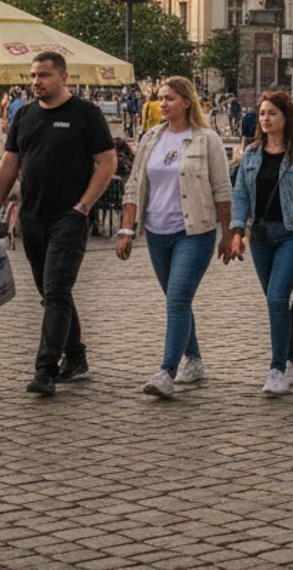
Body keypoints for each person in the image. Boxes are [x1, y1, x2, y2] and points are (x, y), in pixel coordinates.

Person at [0, 52, 119, 397]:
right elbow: (8, 167)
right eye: (32, 75)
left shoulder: (85, 114)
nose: (36, 82)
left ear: (63, 77)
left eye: (43, 75)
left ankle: (46, 368)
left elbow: (107, 162)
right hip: (32, 217)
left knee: (56, 290)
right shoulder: (25, 115)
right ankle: (76, 355)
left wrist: (83, 206)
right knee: (51, 292)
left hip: (68, 218)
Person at [118, 76, 234, 399]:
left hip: (195, 231)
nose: (163, 104)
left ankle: (166, 372)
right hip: (157, 232)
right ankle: (194, 359)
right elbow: (134, 185)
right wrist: (127, 230)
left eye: (169, 98)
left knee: (177, 299)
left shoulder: (206, 140)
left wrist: (228, 233)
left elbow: (222, 190)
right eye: (160, 98)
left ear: (186, 102)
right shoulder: (150, 139)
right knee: (176, 300)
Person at [228, 90, 293, 397]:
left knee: (276, 298)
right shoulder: (250, 155)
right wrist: (237, 232)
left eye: (272, 113)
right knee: (276, 304)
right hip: (260, 236)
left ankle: (277, 370)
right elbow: (241, 197)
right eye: (262, 113)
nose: (265, 119)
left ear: (286, 117)